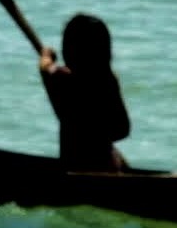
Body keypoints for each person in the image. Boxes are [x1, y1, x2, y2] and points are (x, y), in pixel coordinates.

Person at [39, 13, 131, 172]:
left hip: (76, 168)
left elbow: (45, 67)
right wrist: (100, 138)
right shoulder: (108, 81)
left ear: (69, 50)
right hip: (108, 167)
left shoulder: (61, 79)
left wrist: (47, 55)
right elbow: (122, 130)